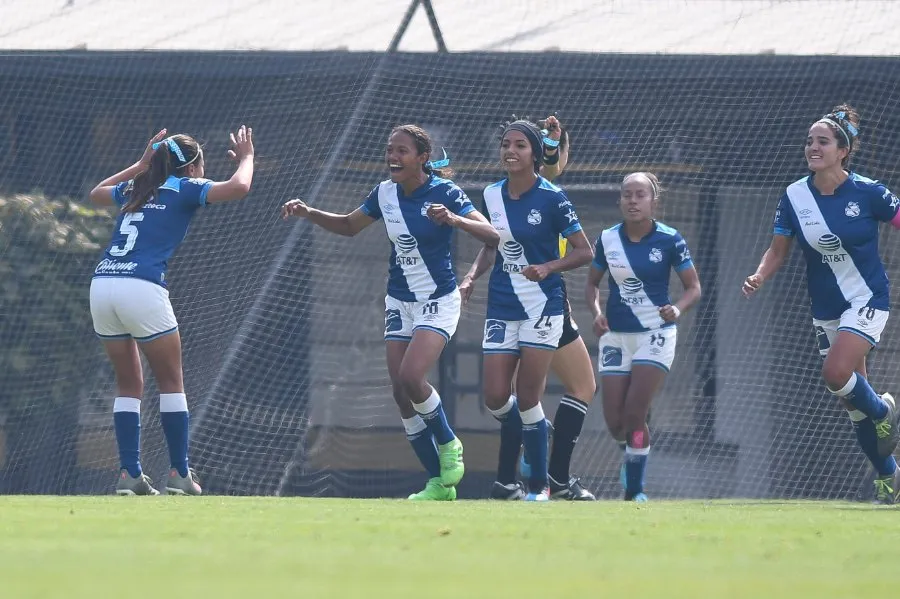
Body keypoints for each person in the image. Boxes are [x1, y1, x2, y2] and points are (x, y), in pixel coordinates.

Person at [281, 124, 499, 501]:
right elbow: (350, 226)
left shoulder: (445, 192)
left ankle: (449, 444)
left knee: (413, 376)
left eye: (402, 151)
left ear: (422, 158)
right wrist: (310, 212)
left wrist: (453, 219)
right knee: (400, 392)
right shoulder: (384, 193)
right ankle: (437, 484)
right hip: (400, 301)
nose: (393, 157)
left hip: (438, 299)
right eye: (390, 150)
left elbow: (492, 235)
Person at [742, 104, 900, 504]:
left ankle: (885, 411)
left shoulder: (869, 192)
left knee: (834, 373)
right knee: (852, 405)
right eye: (810, 141)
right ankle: (889, 476)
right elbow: (777, 251)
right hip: (826, 308)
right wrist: (760, 274)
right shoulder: (795, 196)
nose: (813, 147)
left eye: (823, 141)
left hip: (867, 299)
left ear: (843, 150)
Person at [88, 125, 256, 495]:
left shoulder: (137, 187)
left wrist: (139, 164)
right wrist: (246, 157)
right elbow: (240, 187)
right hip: (142, 287)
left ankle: (129, 474)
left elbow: (96, 194)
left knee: (129, 383)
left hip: (102, 285)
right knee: (171, 382)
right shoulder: (185, 188)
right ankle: (180, 473)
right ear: (192, 165)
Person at [461, 115, 596, 500]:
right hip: (502, 305)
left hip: (544, 307)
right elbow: (492, 245)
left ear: (535, 154)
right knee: (495, 397)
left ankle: (538, 486)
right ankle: (535, 436)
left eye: (520, 145)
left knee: (531, 395)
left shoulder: (552, 196)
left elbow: (586, 251)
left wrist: (549, 267)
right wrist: (471, 277)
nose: (510, 150)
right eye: (506, 144)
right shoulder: (490, 195)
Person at [585, 172, 701, 502]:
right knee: (614, 422)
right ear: (619, 201)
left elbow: (694, 287)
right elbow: (592, 284)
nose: (633, 201)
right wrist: (596, 314)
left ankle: (634, 489)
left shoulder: (670, 239)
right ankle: (633, 451)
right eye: (627, 195)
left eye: (640, 195)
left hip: (656, 334)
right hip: (615, 337)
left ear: (654, 201)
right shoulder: (608, 239)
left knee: (635, 413)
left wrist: (677, 310)